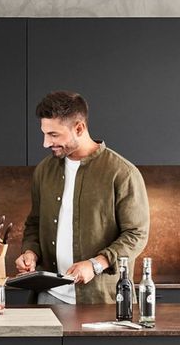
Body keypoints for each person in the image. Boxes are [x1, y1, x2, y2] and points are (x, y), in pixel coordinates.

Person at [16, 91, 149, 304]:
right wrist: (31, 252)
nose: (45, 143)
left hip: (102, 300)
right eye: (44, 134)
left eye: (54, 135)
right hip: (49, 297)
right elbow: (35, 223)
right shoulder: (44, 171)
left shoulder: (122, 173)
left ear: (79, 128)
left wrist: (96, 264)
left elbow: (136, 234)